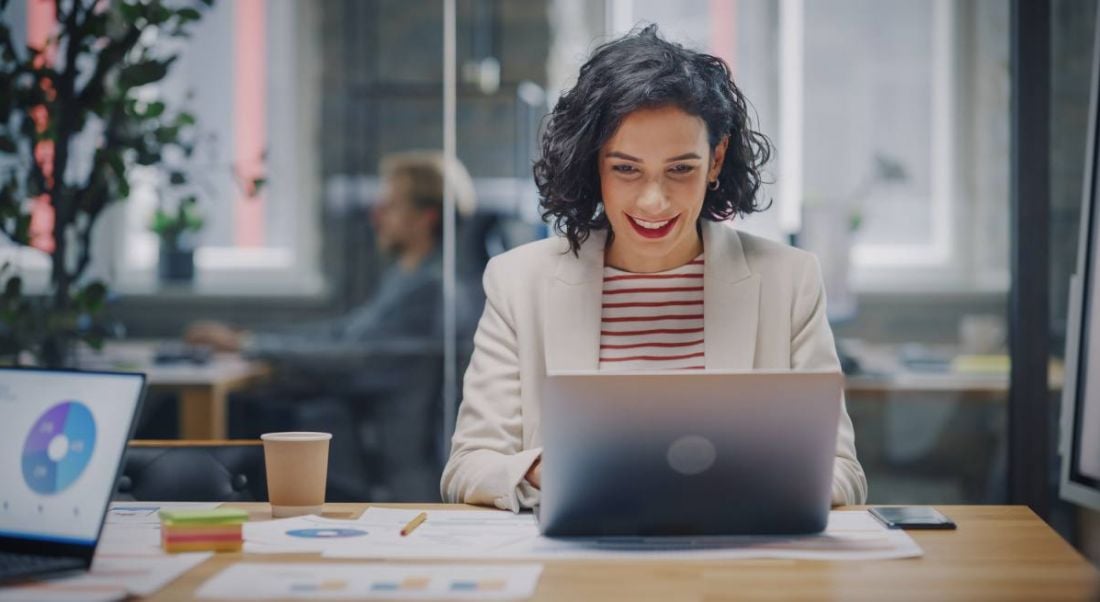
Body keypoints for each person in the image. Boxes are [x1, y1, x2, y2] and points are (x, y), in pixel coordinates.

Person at [440, 25, 867, 512]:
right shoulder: (519, 282)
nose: (654, 200)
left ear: (716, 159)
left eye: (680, 169)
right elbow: (468, 466)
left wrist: (739, 481)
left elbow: (843, 473)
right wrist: (546, 471)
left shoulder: (789, 281)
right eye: (626, 169)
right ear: (593, 164)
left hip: (733, 568)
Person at [185, 151, 478, 356]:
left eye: (390, 206)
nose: (376, 217)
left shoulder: (430, 288)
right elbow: (344, 333)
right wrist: (245, 337)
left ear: (425, 217)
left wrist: (249, 345)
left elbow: (352, 356)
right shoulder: (406, 275)